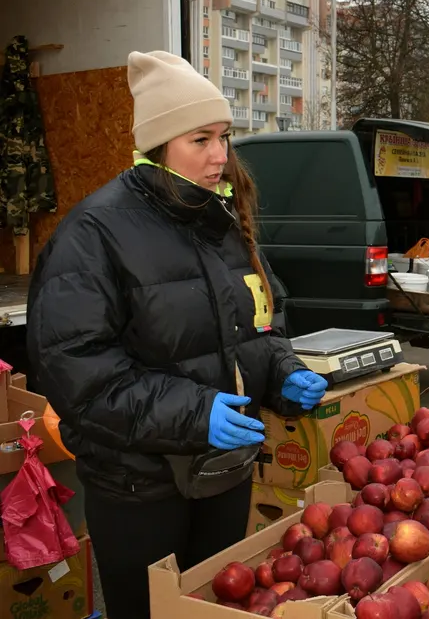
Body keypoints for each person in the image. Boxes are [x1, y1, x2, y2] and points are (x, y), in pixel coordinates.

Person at [25, 51, 328, 619]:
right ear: (159, 145)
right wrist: (193, 412)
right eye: (200, 140)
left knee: (214, 607)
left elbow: (259, 328)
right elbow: (76, 372)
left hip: (225, 475)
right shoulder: (93, 234)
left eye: (225, 137)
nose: (220, 156)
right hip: (141, 490)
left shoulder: (220, 223)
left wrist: (285, 374)